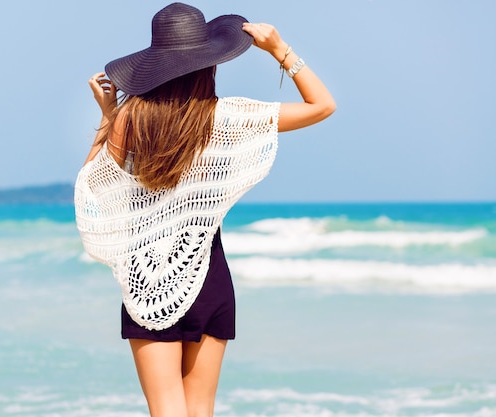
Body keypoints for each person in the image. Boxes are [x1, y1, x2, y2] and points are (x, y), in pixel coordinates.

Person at [74, 3, 335, 417]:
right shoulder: (229, 117)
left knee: (167, 409)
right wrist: (280, 49)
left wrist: (109, 118)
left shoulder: (131, 118)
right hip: (208, 273)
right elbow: (322, 106)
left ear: (154, 66)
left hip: (148, 279)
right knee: (200, 409)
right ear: (209, 64)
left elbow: (93, 189)